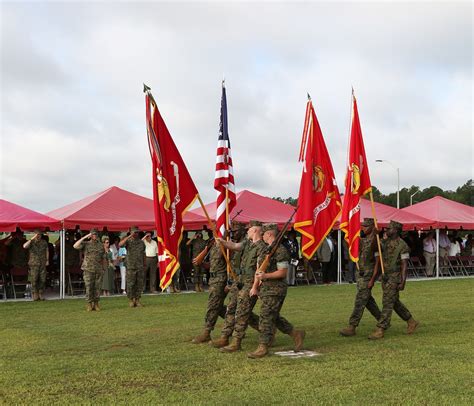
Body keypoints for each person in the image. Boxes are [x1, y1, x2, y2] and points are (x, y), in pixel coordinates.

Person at [247, 223, 305, 358]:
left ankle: (263, 346)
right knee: (274, 317)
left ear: (269, 234)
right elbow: (259, 269)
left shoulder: (280, 251)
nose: (262, 236)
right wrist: (256, 286)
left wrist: (265, 276)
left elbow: (283, 272)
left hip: (276, 289)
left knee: (266, 316)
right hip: (266, 289)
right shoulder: (266, 250)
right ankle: (296, 333)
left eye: (264, 234)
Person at [217, 220, 267, 353]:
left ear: (255, 230)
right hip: (240, 281)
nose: (247, 231)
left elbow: (259, 270)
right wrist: (222, 242)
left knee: (242, 312)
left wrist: (255, 287)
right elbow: (235, 246)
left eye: (249, 229)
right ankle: (225, 336)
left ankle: (236, 341)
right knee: (231, 308)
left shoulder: (262, 247)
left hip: (250, 283)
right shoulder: (248, 244)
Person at [368, 221, 419, 340]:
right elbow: (373, 248)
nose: (387, 230)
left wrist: (403, 281)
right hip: (385, 277)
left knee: (387, 302)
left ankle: (381, 329)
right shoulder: (385, 242)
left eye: (389, 228)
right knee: (394, 302)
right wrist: (375, 236)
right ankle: (411, 321)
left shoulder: (403, 246)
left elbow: (404, 265)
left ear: (396, 230)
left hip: (394, 277)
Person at [339, 219, 382, 337]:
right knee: (367, 300)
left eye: (366, 226)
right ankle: (383, 320)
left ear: (372, 227)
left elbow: (378, 263)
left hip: (368, 275)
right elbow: (352, 244)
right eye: (362, 225)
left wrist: (373, 279)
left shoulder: (376, 241)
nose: (363, 228)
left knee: (360, 300)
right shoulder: (364, 240)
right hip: (361, 275)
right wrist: (349, 234)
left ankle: (352, 326)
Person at [191, 236, 228, 344]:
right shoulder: (212, 246)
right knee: (219, 307)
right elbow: (213, 265)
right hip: (213, 279)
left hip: (222, 280)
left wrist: (229, 283)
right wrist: (201, 262)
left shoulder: (227, 245)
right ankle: (237, 323)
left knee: (213, 305)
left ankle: (206, 332)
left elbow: (231, 265)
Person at [74, 229, 107, 311]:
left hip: (98, 269)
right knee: (89, 287)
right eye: (93, 234)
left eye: (95, 234)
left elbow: (103, 257)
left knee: (97, 287)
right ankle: (89, 304)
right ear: (90, 235)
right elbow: (75, 246)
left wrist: (104, 268)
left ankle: (96, 304)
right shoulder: (86, 244)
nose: (94, 236)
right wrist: (85, 237)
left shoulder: (100, 245)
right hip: (88, 269)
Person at [120, 226, 146, 307]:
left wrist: (144, 264)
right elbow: (120, 245)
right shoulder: (128, 241)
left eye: (137, 232)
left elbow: (143, 254)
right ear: (131, 232)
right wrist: (129, 236)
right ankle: (131, 300)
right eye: (134, 232)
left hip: (139, 266)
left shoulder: (141, 242)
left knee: (139, 284)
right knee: (131, 284)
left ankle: (137, 300)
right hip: (131, 266)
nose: (136, 234)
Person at [23, 230, 49, 301]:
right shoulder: (31, 242)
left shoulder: (44, 242)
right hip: (34, 264)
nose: (38, 236)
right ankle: (35, 293)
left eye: (39, 235)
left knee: (42, 279)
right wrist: (32, 238)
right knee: (34, 279)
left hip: (42, 263)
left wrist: (47, 260)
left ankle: (40, 293)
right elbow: (25, 246)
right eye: (37, 235)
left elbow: (47, 251)